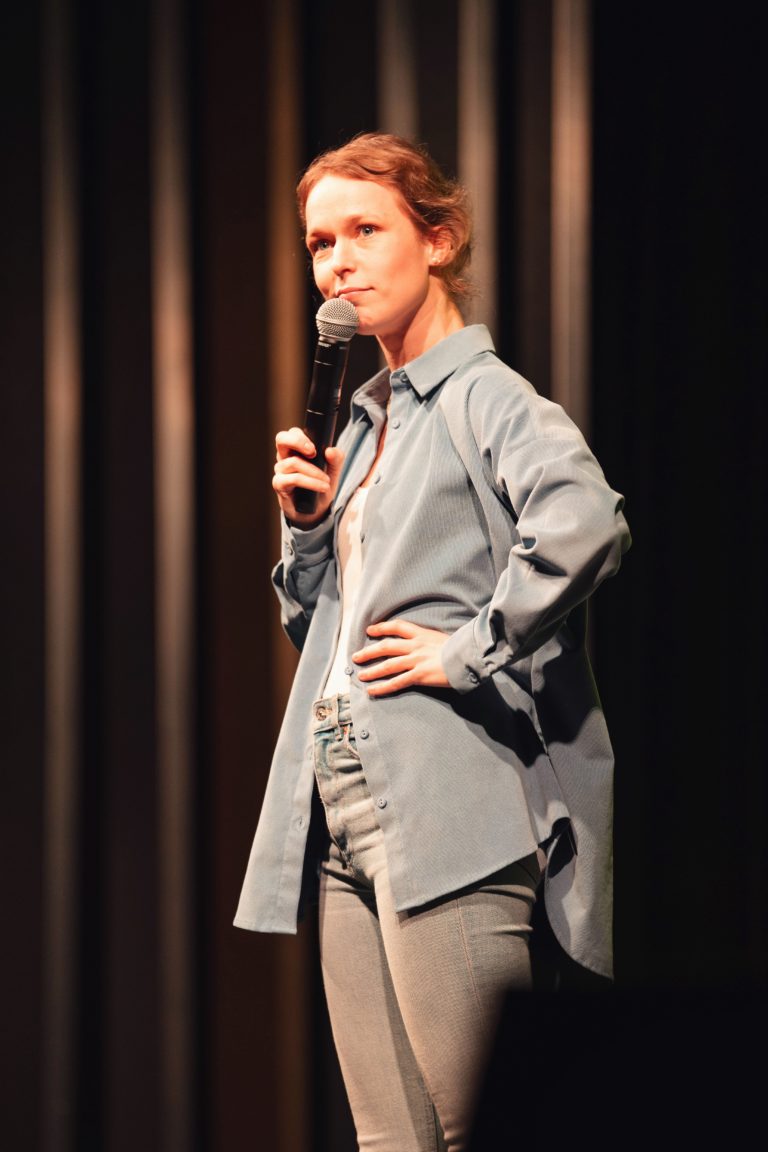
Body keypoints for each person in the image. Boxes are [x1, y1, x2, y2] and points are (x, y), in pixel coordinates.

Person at [234, 132, 631, 1151]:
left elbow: (585, 523)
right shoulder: (364, 425)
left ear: (439, 239)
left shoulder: (483, 396)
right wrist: (309, 529)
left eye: (366, 231)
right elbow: (314, 631)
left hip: (448, 800)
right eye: (321, 243)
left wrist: (465, 651)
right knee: (390, 1143)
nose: (339, 263)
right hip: (344, 804)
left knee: (477, 1131)